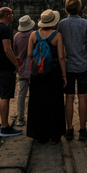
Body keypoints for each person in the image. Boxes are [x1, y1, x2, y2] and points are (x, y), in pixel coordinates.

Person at [26, 9, 67, 143]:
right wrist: (64, 75)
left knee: (38, 102)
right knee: (54, 102)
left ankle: (39, 135)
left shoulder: (33, 34)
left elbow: (29, 55)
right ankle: (54, 135)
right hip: (53, 72)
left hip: (37, 73)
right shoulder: (57, 35)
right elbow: (61, 57)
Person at [58, 0, 87, 141]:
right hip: (83, 64)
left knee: (69, 97)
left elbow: (60, 47)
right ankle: (83, 129)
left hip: (67, 65)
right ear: (79, 9)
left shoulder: (61, 24)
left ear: (67, 9)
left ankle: (69, 129)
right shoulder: (85, 23)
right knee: (82, 96)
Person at [0, 7, 23, 137]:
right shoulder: (6, 29)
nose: (13, 15)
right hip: (4, 69)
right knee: (5, 97)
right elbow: (7, 49)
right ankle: (5, 127)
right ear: (7, 15)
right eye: (11, 13)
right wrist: (16, 64)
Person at [13, 14, 35, 127]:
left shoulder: (16, 36)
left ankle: (21, 118)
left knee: (21, 94)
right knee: (34, 94)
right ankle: (34, 116)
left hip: (21, 68)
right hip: (33, 68)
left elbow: (14, 53)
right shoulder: (34, 34)